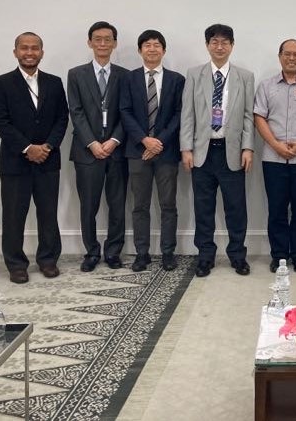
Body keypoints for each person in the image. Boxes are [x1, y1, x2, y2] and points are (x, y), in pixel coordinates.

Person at [0, 32, 68, 284]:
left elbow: (62, 118)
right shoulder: (2, 83)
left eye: (35, 48)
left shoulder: (54, 82)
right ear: (15, 52)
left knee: (48, 213)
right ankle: (16, 264)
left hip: (48, 159)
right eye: (24, 48)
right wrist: (27, 148)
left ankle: (48, 260)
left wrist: (47, 146)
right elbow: (0, 121)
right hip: (15, 162)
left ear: (41, 52)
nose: (29, 53)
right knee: (14, 216)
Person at [181, 23, 255, 278]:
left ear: (232, 46)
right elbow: (187, 114)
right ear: (207, 45)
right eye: (215, 42)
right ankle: (205, 256)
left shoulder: (245, 76)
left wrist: (248, 147)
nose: (220, 47)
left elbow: (248, 116)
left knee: (236, 207)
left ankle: (238, 256)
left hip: (231, 151)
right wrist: (186, 148)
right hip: (202, 151)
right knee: (203, 207)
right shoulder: (194, 74)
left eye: (225, 42)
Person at [254, 39, 296, 274]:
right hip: (273, 159)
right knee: (277, 210)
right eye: (287, 53)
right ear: (280, 56)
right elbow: (259, 118)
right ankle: (280, 256)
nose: (291, 58)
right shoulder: (266, 86)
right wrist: (275, 145)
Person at [67, 21, 129, 272]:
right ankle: (92, 252)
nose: (103, 44)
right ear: (90, 42)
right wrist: (92, 143)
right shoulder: (76, 74)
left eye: (108, 39)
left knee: (117, 205)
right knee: (88, 205)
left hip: (117, 150)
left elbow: (127, 112)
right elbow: (76, 111)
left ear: (115, 43)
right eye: (98, 39)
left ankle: (113, 251)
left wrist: (114, 140)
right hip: (87, 151)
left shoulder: (125, 75)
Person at [120, 29, 184, 272]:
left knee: (168, 205)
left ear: (164, 50)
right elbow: (124, 112)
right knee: (140, 205)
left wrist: (158, 142)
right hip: (137, 151)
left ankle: (168, 252)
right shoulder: (129, 78)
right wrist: (145, 140)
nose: (152, 49)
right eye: (147, 45)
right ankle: (142, 253)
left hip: (166, 152)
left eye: (157, 45)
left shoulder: (177, 80)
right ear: (140, 50)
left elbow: (179, 114)